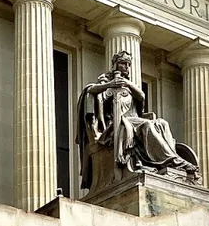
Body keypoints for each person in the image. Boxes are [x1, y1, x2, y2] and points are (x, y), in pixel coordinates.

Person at [76, 50, 200, 190]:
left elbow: (141, 96)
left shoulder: (128, 85)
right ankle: (174, 161)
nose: (127, 67)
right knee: (146, 125)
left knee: (162, 123)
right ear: (115, 65)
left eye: (128, 64)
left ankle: (166, 162)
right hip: (114, 127)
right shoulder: (106, 81)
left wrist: (128, 84)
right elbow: (90, 91)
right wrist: (109, 85)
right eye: (123, 64)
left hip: (132, 120)